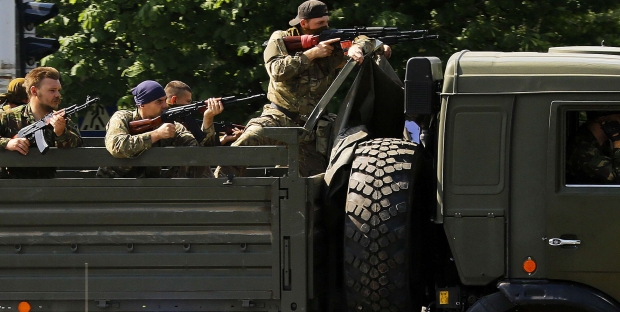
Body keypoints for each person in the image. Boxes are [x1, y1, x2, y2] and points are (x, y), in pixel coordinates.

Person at [215, 0, 389, 178]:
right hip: (279, 117)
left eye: (326, 21)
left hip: (313, 127)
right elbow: (277, 70)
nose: (325, 26)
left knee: (317, 183)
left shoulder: (332, 41)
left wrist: (361, 47)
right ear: (303, 23)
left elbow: (366, 40)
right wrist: (312, 53)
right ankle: (212, 191)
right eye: (319, 23)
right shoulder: (280, 38)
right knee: (247, 141)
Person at [96, 80, 223, 178]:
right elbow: (117, 146)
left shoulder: (167, 123)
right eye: (159, 102)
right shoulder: (122, 117)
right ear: (142, 104)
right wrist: (156, 134)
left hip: (153, 188)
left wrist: (208, 118)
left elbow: (197, 148)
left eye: (164, 100)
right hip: (113, 186)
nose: (164, 105)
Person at [0, 67, 82, 178]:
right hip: (12, 186)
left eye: (58, 90)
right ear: (34, 91)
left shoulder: (61, 119)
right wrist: (7, 143)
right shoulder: (8, 117)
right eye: (52, 90)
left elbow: (78, 146)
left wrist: (61, 133)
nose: (58, 95)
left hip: (48, 186)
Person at [164, 80, 243, 145]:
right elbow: (202, 148)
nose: (189, 105)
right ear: (174, 100)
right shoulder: (167, 123)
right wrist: (208, 117)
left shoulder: (184, 121)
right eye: (188, 101)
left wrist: (225, 139)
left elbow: (203, 148)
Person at [566, 111, 620, 184]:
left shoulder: (604, 142)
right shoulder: (583, 149)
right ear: (602, 120)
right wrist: (617, 141)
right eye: (618, 117)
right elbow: (616, 177)